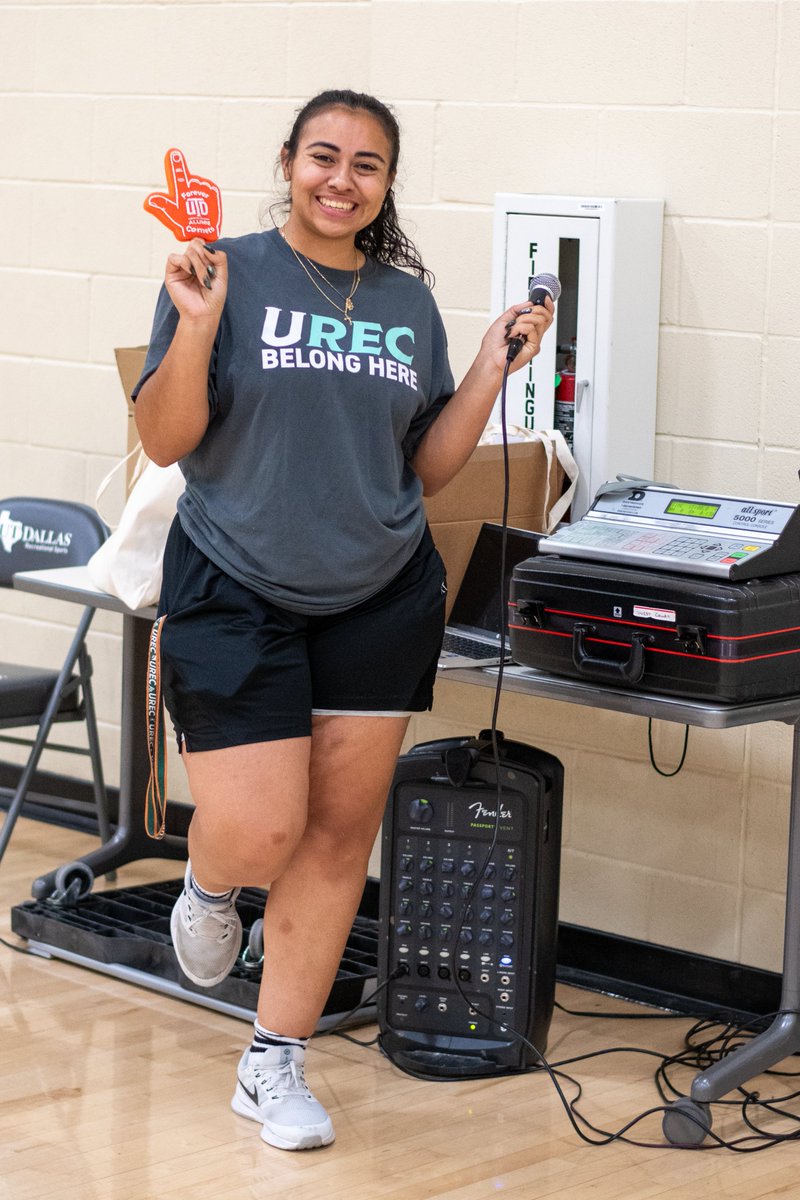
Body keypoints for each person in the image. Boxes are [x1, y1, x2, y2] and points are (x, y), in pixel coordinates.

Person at [133, 88, 553, 1153]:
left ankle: (273, 1062)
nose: (341, 179)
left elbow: (424, 464)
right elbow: (167, 438)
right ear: (287, 161)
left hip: (379, 591)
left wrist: (488, 370)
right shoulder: (219, 269)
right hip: (236, 583)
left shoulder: (405, 303)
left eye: (366, 165)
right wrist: (194, 329)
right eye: (324, 156)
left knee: (332, 839)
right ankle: (210, 878)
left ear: (386, 184)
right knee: (263, 827)